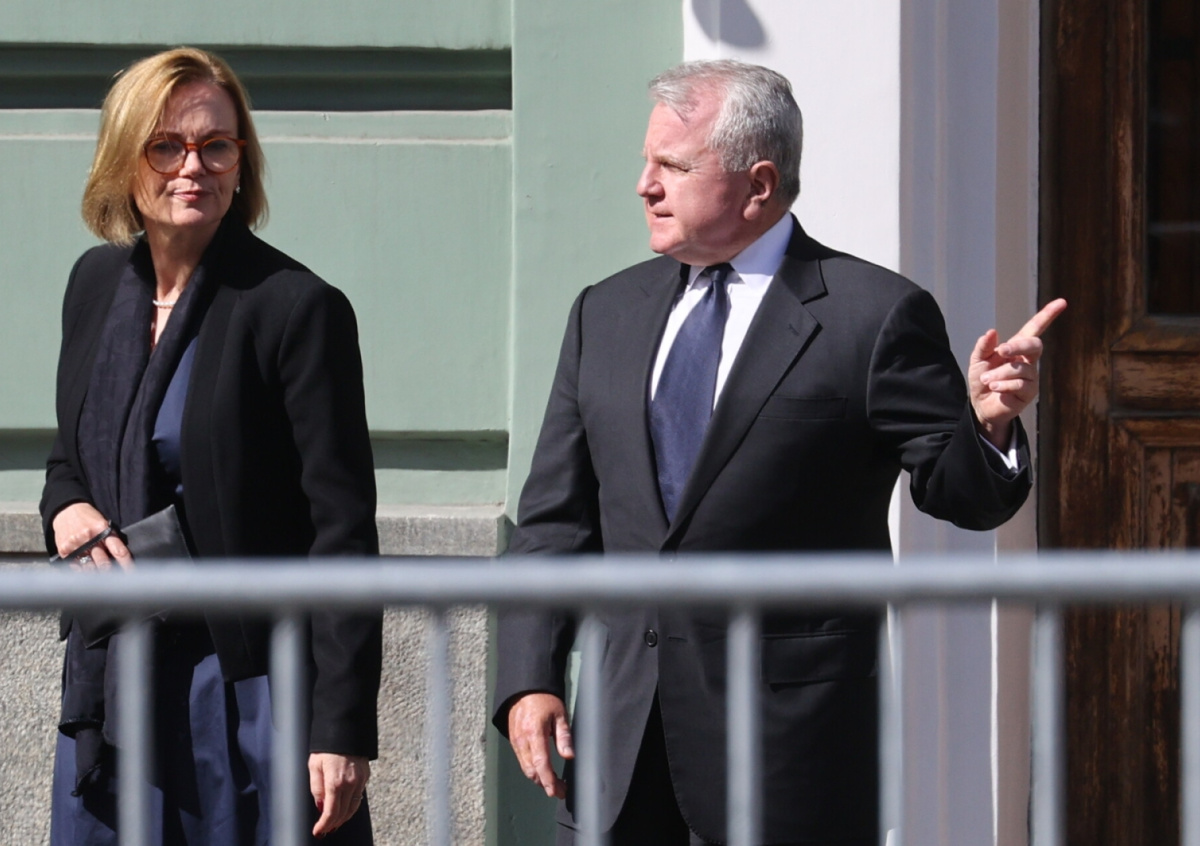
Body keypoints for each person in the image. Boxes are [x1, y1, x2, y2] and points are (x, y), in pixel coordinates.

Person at [493, 60, 1066, 846]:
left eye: (672, 166)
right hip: (619, 755)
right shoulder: (606, 312)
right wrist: (529, 677)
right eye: (646, 162)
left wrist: (989, 424)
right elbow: (554, 521)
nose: (644, 186)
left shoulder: (873, 314)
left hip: (788, 760)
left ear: (758, 185)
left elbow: (961, 495)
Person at [41, 48, 380, 845]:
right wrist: (66, 509)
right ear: (124, 160)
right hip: (113, 679)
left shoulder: (295, 308)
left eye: (216, 146)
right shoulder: (95, 286)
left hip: (240, 689)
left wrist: (341, 726)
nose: (193, 167)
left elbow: (342, 531)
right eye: (167, 146)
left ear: (241, 161)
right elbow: (69, 458)